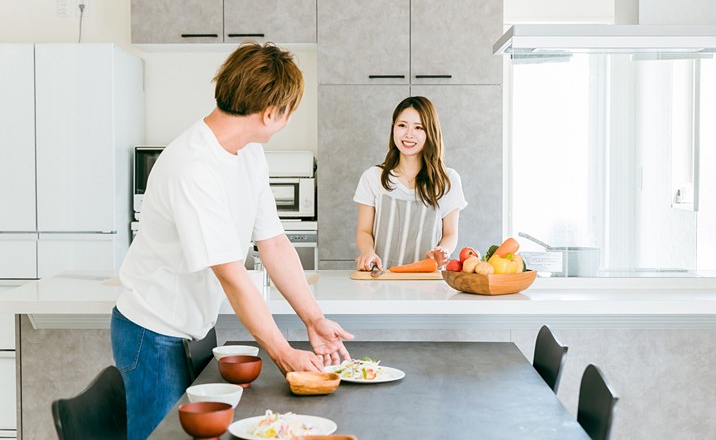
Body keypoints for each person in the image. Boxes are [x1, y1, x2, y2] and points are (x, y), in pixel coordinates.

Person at [110, 42, 353, 440]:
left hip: (191, 328)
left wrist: (313, 318)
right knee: (163, 437)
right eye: (289, 112)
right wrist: (283, 353)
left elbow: (273, 242)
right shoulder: (193, 166)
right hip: (150, 333)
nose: (288, 120)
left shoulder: (249, 153)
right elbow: (232, 276)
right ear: (271, 112)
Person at [354, 96, 468, 272]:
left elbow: (450, 234)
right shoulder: (373, 177)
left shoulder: (448, 180)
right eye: (402, 125)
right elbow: (364, 231)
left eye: (418, 127)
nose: (408, 134)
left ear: (430, 132)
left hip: (428, 281)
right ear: (393, 128)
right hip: (382, 278)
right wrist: (368, 252)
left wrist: (442, 252)